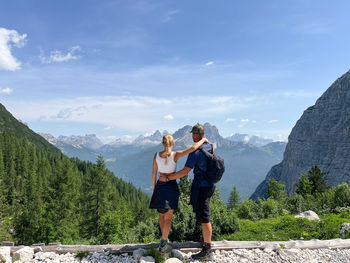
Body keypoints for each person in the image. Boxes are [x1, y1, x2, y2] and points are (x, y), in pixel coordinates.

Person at [159, 123, 215, 260]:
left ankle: (207, 249)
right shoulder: (209, 146)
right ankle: (205, 242)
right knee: (203, 214)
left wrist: (168, 177)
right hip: (209, 185)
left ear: (196, 135)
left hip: (201, 186)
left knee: (204, 217)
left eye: (193, 134)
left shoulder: (195, 152)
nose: (192, 136)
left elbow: (185, 171)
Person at [149, 133, 208, 253]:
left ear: (162, 143)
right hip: (171, 186)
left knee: (161, 215)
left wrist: (154, 190)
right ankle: (164, 243)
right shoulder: (175, 155)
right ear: (173, 143)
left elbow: (154, 174)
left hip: (160, 186)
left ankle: (164, 239)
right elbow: (192, 149)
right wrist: (203, 140)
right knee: (168, 218)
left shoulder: (156, 155)